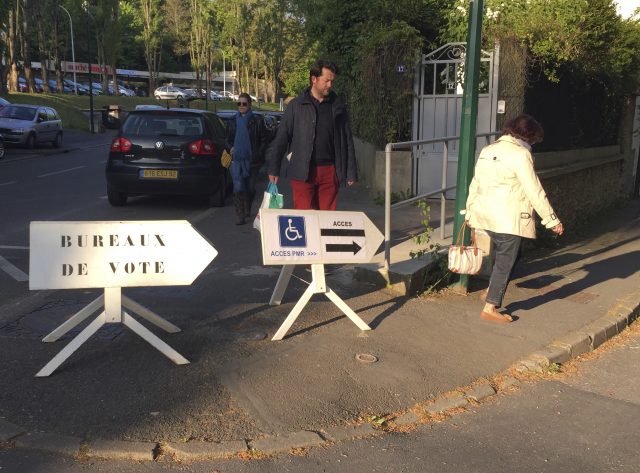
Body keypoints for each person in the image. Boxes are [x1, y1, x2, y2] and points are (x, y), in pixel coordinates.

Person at [464, 114, 564, 324]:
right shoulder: (520, 155)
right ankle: (490, 307)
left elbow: (476, 183)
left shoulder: (487, 150)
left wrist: (470, 210)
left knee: (512, 254)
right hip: (508, 218)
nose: (534, 144)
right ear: (528, 136)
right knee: (505, 261)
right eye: (534, 139)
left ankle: (491, 291)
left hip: (485, 214)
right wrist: (551, 220)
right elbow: (534, 190)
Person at [266, 59, 357, 210]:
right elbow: (282, 138)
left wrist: (351, 171)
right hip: (302, 171)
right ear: (314, 79)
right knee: (304, 219)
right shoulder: (296, 105)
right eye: (326, 80)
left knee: (327, 220)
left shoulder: (338, 106)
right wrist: (273, 168)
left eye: (332, 81)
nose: (330, 85)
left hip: (329, 171)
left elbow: (347, 139)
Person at [226, 92, 270, 225]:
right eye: (239, 103)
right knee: (238, 186)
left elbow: (264, 139)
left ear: (249, 105)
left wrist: (258, 152)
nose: (241, 106)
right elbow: (227, 139)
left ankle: (247, 206)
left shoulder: (256, 120)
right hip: (237, 159)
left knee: (249, 187)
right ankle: (240, 215)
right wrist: (230, 148)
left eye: (244, 104)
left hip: (252, 160)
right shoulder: (232, 121)